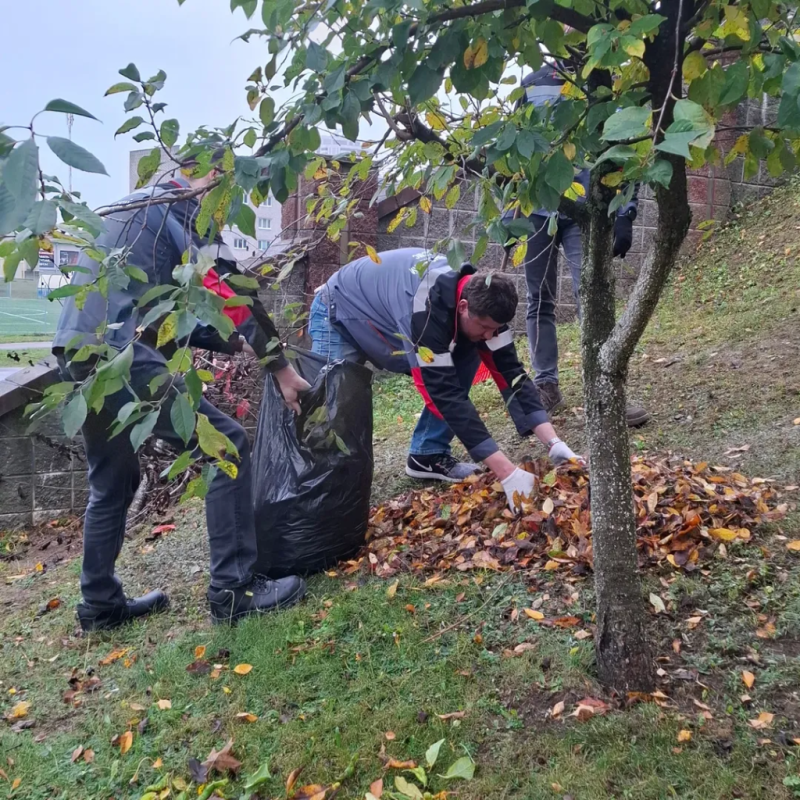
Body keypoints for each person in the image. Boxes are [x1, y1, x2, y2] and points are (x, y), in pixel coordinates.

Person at [53, 158, 309, 631]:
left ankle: (99, 606)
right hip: (119, 353)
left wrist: (222, 340)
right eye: (220, 184)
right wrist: (281, 368)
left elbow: (163, 304)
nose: (224, 201)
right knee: (225, 446)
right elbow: (230, 289)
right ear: (199, 173)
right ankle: (234, 590)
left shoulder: (132, 210)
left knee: (113, 481)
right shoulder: (179, 211)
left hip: (78, 355)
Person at [308, 247, 583, 508]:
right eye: (486, 327)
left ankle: (427, 455)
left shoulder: (484, 300)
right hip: (340, 312)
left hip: (386, 313)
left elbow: (512, 373)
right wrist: (506, 472)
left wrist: (554, 443)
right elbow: (444, 394)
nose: (490, 335)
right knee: (334, 407)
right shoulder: (424, 312)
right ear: (463, 306)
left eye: (495, 329)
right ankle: (321, 493)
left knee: (469, 349)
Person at [509, 61, 650, 427]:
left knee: (593, 294)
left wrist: (624, 211)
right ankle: (546, 386)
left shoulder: (607, 83)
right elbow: (512, 151)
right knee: (539, 299)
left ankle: (604, 388)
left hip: (586, 211)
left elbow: (626, 152)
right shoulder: (533, 84)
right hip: (538, 212)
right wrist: (510, 213)